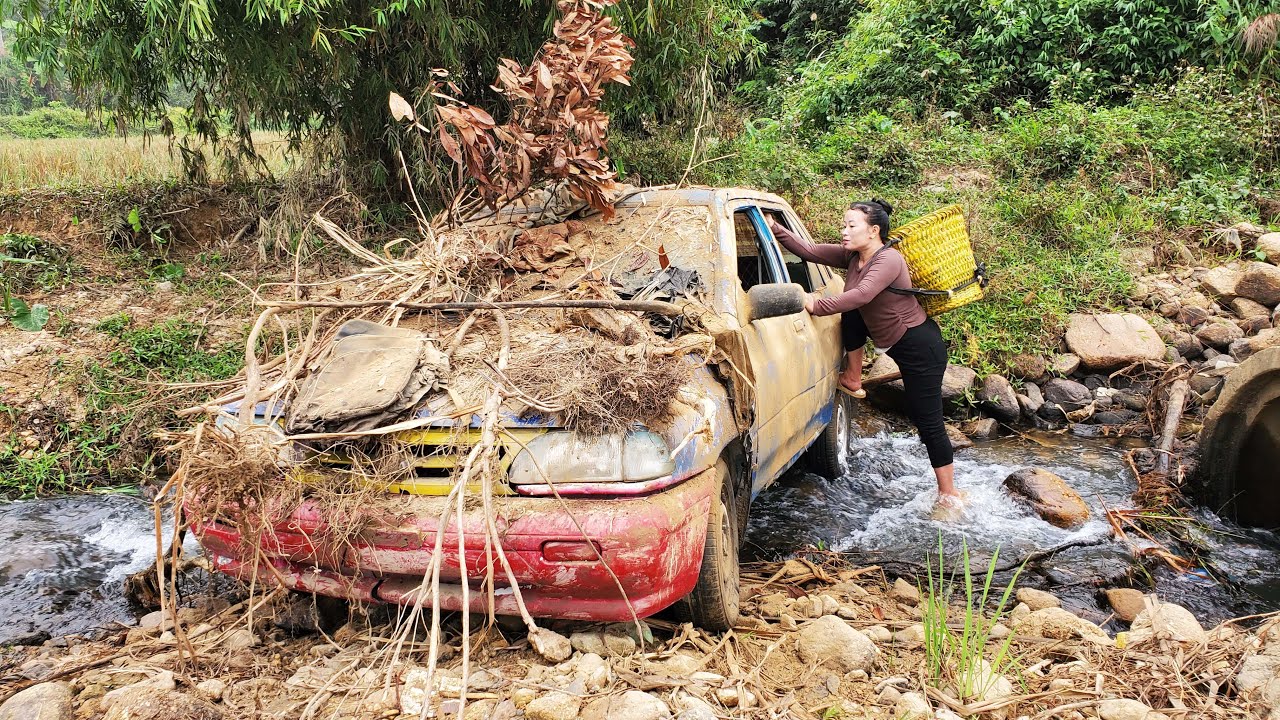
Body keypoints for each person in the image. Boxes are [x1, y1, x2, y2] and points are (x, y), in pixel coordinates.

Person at [768, 200, 961, 508]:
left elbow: (862, 294)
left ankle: (949, 494)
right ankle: (853, 377)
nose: (844, 231)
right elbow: (810, 251)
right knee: (852, 314)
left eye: (851, 226)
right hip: (894, 340)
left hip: (920, 347)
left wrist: (815, 305)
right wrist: (774, 227)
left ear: (873, 231)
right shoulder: (854, 256)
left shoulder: (888, 259)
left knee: (928, 422)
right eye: (843, 225)